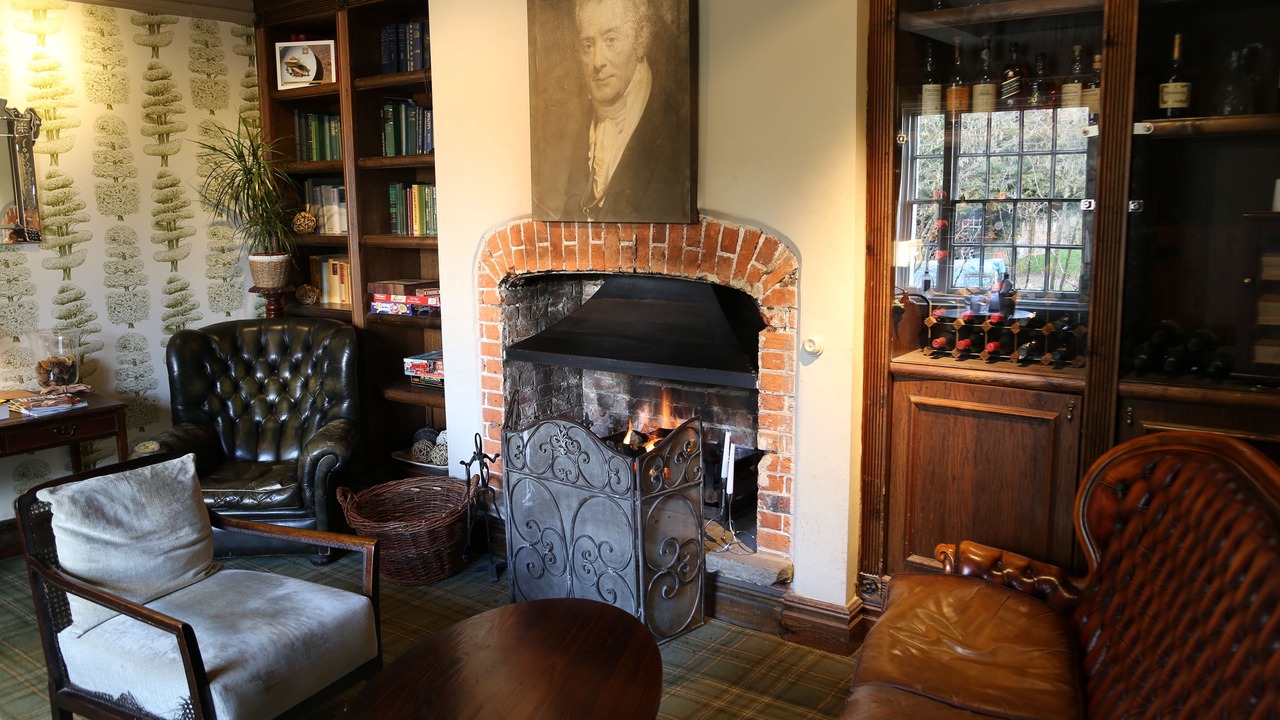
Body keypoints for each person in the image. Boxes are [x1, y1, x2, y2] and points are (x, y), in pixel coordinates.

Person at [532, 0, 692, 223]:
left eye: (611, 40)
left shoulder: (674, 124)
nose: (597, 62)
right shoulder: (581, 129)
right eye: (588, 45)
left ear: (641, 39)